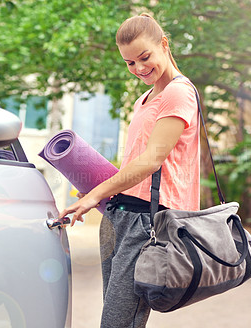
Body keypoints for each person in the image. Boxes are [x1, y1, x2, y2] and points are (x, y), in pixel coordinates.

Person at [59, 13, 200, 328]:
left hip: (147, 220)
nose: (138, 68)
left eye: (144, 57)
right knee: (114, 316)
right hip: (118, 215)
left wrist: (95, 194)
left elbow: (152, 160)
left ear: (164, 44)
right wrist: (97, 188)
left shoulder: (179, 93)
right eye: (129, 63)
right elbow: (133, 164)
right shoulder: (144, 99)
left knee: (118, 322)